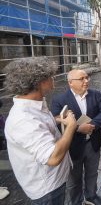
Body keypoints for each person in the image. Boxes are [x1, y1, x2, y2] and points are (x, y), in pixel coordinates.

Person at [4, 57, 77, 204]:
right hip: (48, 190)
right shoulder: (23, 119)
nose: (53, 79)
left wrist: (58, 119)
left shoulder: (35, 103)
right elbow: (53, 158)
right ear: (39, 82)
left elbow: (40, 126)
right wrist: (71, 126)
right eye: (50, 77)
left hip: (55, 182)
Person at [51, 70, 101, 205]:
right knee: (74, 178)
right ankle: (76, 201)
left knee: (92, 173)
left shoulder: (96, 94)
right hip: (73, 146)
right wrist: (77, 128)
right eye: (81, 79)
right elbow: (55, 121)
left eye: (86, 77)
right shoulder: (59, 100)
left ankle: (91, 196)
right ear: (70, 83)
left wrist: (92, 125)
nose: (86, 81)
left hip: (92, 143)